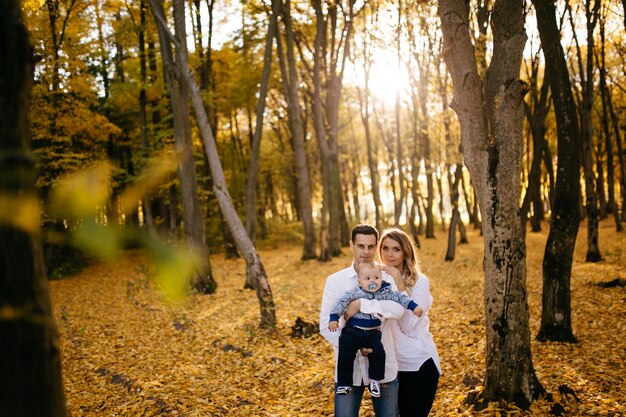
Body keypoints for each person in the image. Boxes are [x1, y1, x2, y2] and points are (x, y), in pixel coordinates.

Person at [320, 224, 405, 417]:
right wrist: (356, 345)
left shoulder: (387, 278)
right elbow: (326, 325)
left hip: (384, 367)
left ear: (376, 246)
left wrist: (361, 305)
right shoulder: (335, 281)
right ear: (351, 245)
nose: (366, 252)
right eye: (360, 246)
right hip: (348, 369)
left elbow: (399, 309)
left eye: (370, 246)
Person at [328, 261, 424, 398]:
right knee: (345, 351)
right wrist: (333, 318)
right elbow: (341, 303)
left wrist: (414, 307)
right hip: (353, 330)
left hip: (373, 332)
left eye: (376, 278)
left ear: (381, 278)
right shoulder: (355, 292)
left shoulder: (384, 292)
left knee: (379, 353)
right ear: (360, 282)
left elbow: (399, 297)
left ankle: (375, 380)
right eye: (367, 279)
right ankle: (344, 383)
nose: (372, 281)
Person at [379, 228, 441, 417]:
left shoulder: (420, 282)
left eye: (396, 249)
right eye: (385, 248)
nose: (389, 255)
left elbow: (407, 324)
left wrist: (399, 283)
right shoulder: (374, 280)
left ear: (406, 252)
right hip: (389, 367)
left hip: (418, 364)